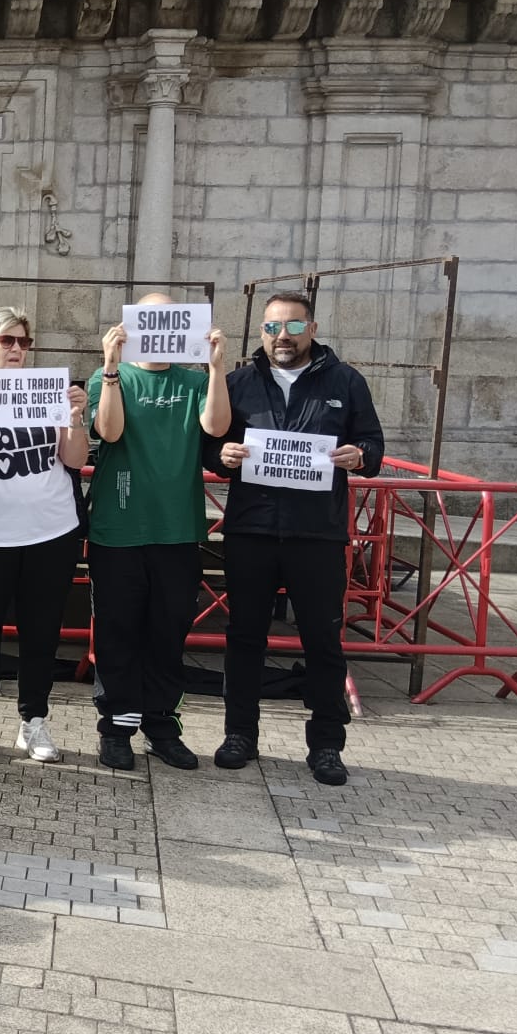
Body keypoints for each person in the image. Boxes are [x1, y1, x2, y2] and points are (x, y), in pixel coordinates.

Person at [206, 291, 384, 786]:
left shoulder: (346, 381)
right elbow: (210, 444)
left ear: (312, 327)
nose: (281, 337)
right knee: (244, 637)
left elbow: (374, 445)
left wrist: (359, 457)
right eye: (270, 328)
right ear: (260, 332)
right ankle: (239, 733)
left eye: (291, 327)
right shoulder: (239, 382)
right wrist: (222, 457)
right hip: (252, 530)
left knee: (323, 641)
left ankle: (327, 744)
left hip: (318, 534)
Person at [86, 294, 233, 772]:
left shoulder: (193, 381)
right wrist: (110, 366)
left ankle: (162, 726)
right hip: (119, 527)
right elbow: (107, 433)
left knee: (169, 633)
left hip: (177, 530)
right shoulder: (111, 377)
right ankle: (116, 730)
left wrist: (215, 368)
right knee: (117, 632)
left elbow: (217, 425)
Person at [0, 308, 89, 765]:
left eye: (23, 342)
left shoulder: (45, 391)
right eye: (7, 341)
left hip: (51, 529)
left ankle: (34, 720)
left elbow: (74, 458)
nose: (17, 349)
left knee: (42, 630)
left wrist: (76, 416)